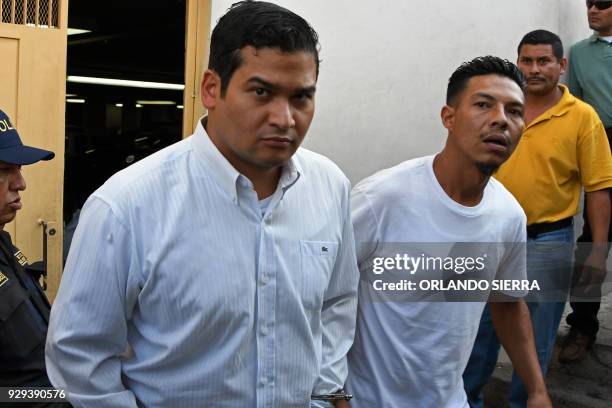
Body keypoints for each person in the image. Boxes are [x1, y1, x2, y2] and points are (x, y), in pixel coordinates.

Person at [45, 2, 359, 407]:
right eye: (261, 92)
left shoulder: (329, 187)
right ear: (212, 88)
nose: (284, 118)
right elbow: (79, 356)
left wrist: (322, 393)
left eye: (301, 97)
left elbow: (337, 302)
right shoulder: (126, 206)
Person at [339, 56, 551, 408]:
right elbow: (318, 297)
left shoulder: (508, 215)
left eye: (514, 111)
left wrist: (537, 390)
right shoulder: (382, 199)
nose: (501, 119)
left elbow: (508, 303)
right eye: (483, 104)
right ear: (448, 117)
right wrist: (334, 395)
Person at [463, 30, 612, 407]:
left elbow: (598, 188)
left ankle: (526, 401)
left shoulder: (582, 117)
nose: (534, 69)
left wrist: (596, 252)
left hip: (549, 240)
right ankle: (465, 399)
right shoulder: (499, 108)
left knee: (537, 338)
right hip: (492, 237)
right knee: (479, 331)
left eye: (544, 61)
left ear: (561, 66)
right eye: (526, 60)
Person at [0, 109, 67, 407]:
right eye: (4, 170)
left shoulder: (4, 246)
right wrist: (69, 396)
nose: (20, 183)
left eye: (19, 169)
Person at [561, 0, 612, 362]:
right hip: (601, 143)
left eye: (603, 5)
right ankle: (581, 326)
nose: (593, 10)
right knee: (594, 238)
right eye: (589, 4)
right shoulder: (579, 53)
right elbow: (576, 103)